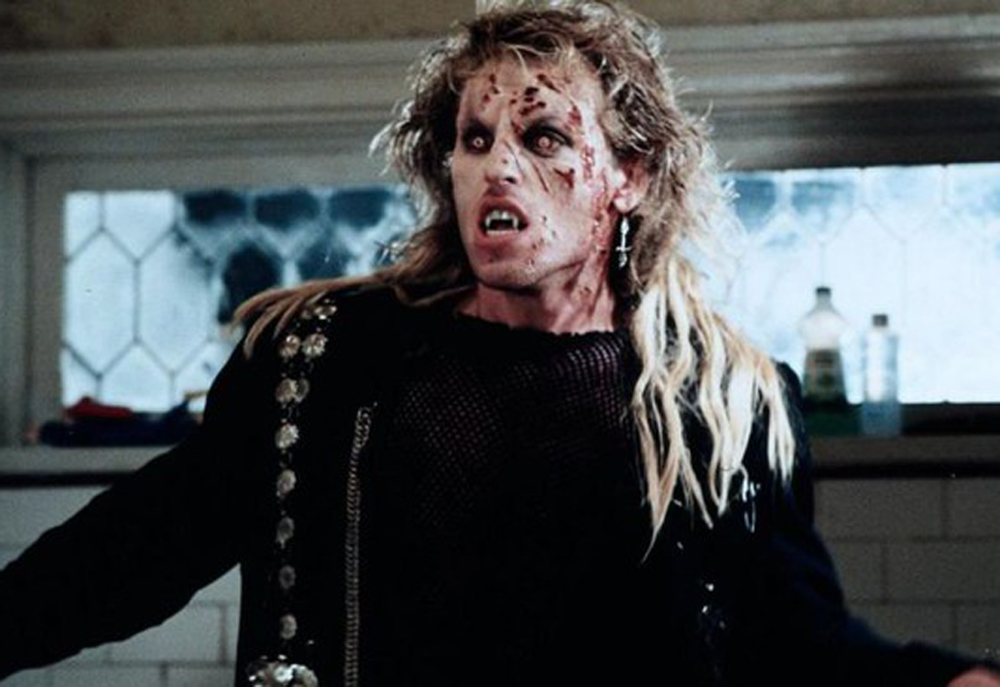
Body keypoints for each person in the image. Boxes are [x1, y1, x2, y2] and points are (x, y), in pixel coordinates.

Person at [1, 3, 998, 686]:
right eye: (475, 141)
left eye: (543, 138)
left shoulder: (726, 400)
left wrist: (945, 678)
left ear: (629, 176)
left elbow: (797, 641)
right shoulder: (325, 362)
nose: (497, 168)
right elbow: (138, 546)